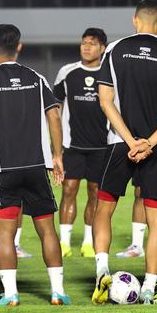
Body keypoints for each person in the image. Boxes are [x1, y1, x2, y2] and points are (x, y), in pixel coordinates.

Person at [90, 0, 157, 306]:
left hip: (119, 144)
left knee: (104, 208)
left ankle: (102, 269)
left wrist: (130, 140)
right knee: (156, 219)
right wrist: (149, 143)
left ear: (135, 20)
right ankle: (148, 287)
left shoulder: (116, 50)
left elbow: (105, 101)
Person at [0, 24, 69, 306]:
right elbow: (54, 115)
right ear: (19, 47)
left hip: (3, 169)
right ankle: (57, 291)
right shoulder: (36, 77)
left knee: (6, 232)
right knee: (47, 229)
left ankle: (11, 294)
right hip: (37, 166)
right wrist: (58, 155)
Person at [54, 27, 108, 259]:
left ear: (102, 48)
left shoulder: (109, 74)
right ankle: (64, 243)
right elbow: (54, 107)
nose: (87, 47)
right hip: (73, 146)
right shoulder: (68, 72)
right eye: (84, 42)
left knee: (95, 193)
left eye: (92, 43)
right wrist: (55, 143)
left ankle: (88, 241)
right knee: (69, 190)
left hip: (101, 146)